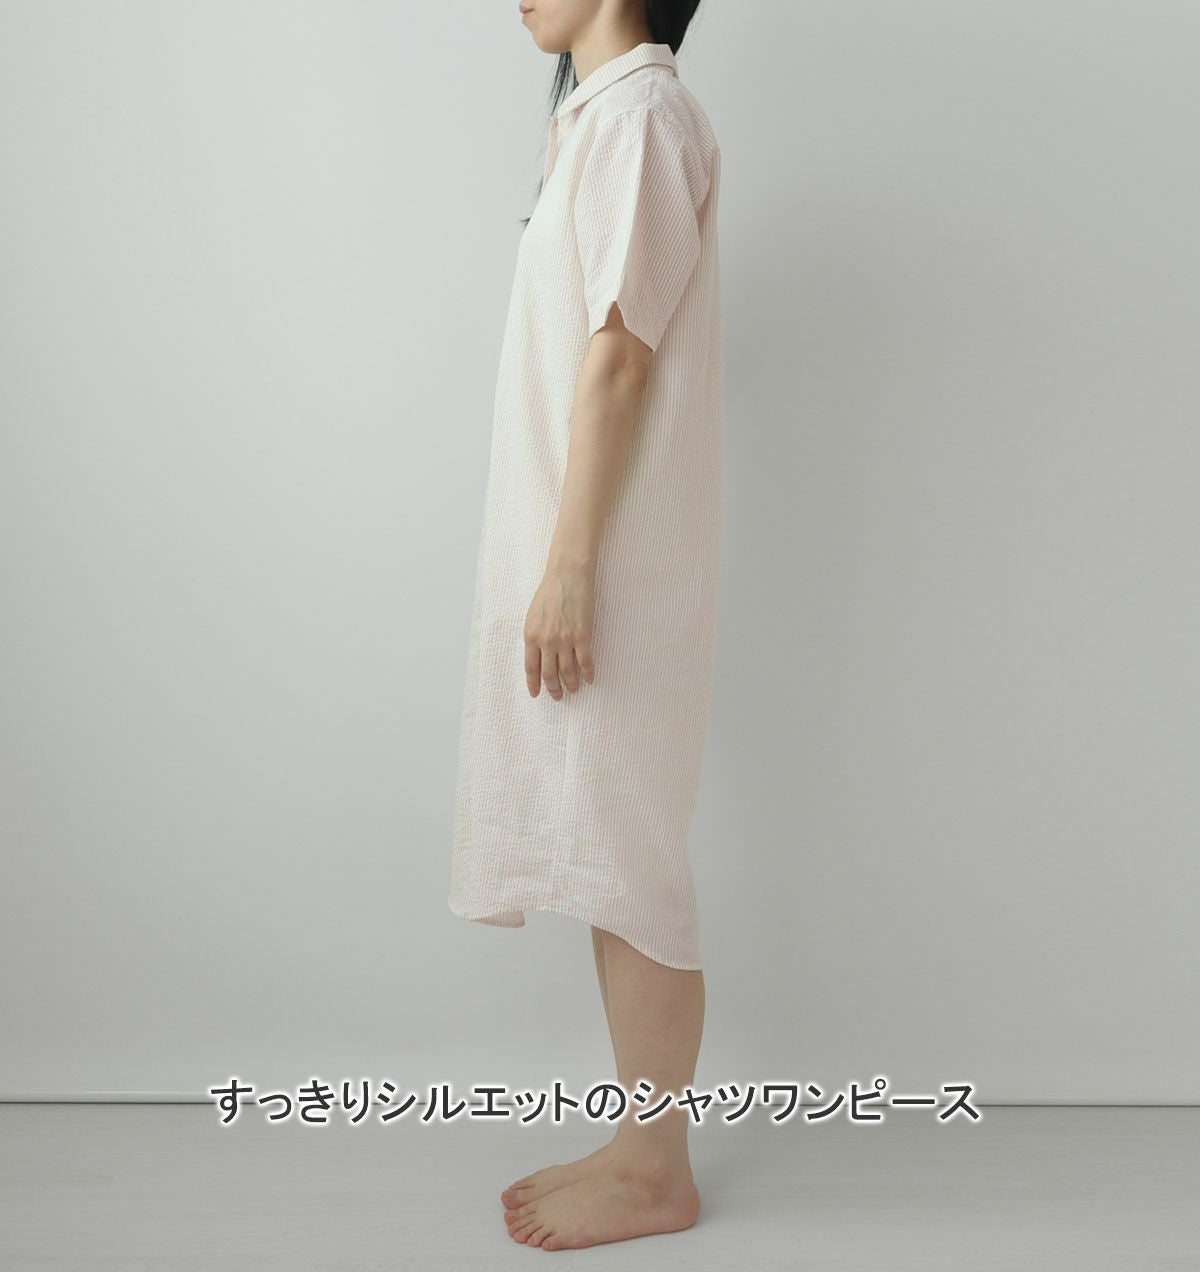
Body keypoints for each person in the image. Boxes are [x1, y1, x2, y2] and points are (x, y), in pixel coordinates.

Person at [448, 0, 722, 1250]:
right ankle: (639, 1143)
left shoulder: (643, 117)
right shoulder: (602, 118)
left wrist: (568, 569)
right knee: (611, 851)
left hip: (604, 558)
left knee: (630, 856)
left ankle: (657, 1169)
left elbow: (621, 356)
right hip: (584, 549)